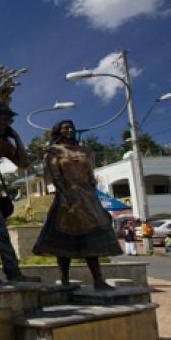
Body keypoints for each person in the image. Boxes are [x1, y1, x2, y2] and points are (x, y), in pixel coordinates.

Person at [32, 120, 122, 289]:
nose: (70, 130)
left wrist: (94, 197)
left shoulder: (85, 151)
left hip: (88, 197)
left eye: (72, 127)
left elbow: (90, 175)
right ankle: (64, 279)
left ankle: (98, 279)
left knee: (93, 238)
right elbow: (55, 176)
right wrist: (65, 196)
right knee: (63, 238)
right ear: (59, 131)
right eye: (66, 128)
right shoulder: (53, 151)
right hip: (67, 196)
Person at [0, 105, 39, 282]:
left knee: (0, 230)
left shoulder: (3, 142)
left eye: (9, 120)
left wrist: (17, 138)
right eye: (4, 118)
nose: (7, 122)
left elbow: (23, 163)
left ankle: (13, 272)